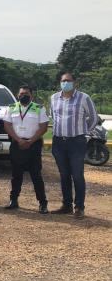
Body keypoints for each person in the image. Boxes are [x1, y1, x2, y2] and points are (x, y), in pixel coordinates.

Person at [49, 72, 98, 218]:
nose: (65, 83)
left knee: (77, 175)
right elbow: (53, 116)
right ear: (60, 82)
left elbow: (93, 117)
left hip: (76, 142)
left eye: (68, 81)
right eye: (63, 81)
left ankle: (79, 207)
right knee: (64, 175)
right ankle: (66, 205)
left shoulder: (84, 98)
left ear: (74, 82)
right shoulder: (53, 98)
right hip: (58, 142)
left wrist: (85, 132)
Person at [3, 85, 49, 214]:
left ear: (31, 95)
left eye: (26, 93)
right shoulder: (11, 108)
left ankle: (42, 203)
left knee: (36, 176)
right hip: (17, 144)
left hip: (33, 144)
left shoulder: (39, 108)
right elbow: (7, 125)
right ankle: (13, 200)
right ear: (18, 95)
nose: (24, 95)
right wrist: (19, 140)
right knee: (16, 175)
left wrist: (30, 141)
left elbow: (44, 127)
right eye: (21, 93)